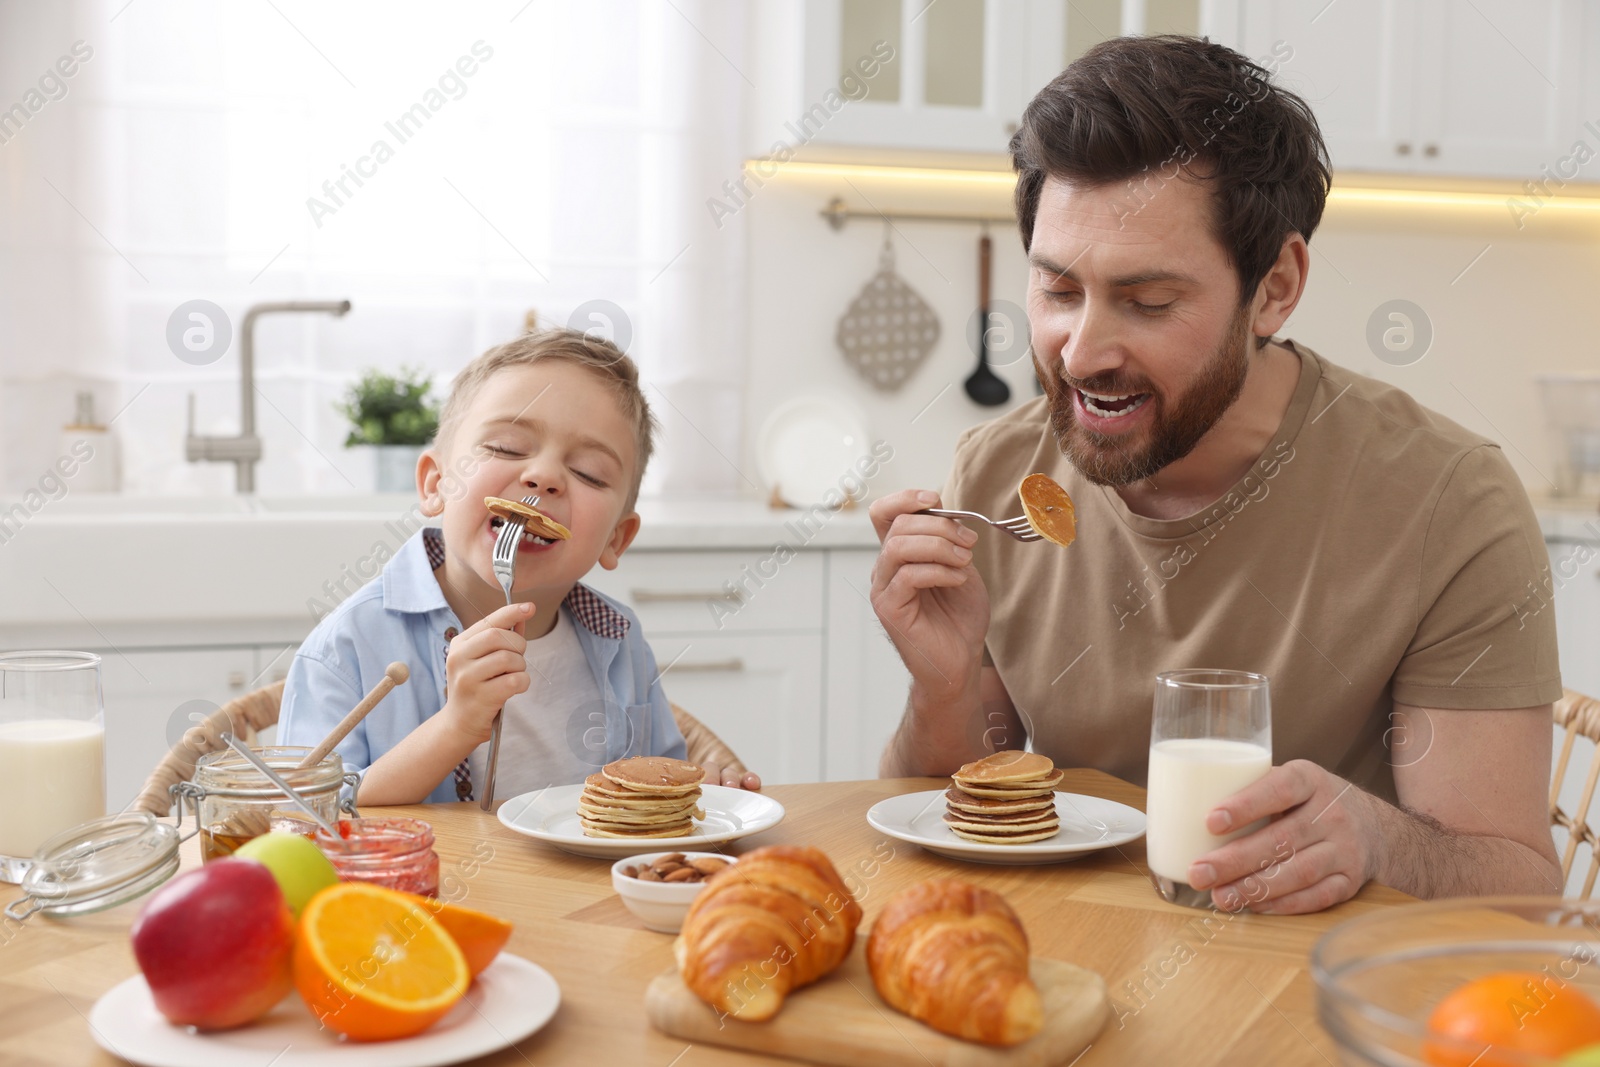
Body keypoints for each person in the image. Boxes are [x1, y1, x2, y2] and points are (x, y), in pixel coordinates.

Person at [869, 36, 1562, 913]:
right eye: (1056, 291)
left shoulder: (1448, 501)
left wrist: (1376, 838)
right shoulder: (1002, 475)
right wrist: (944, 686)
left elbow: (1522, 887)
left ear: (1275, 287)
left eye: (1149, 302)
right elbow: (954, 810)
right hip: (1068, 976)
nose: (1083, 351)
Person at [280, 328, 761, 803]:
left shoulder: (620, 639)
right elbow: (305, 811)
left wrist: (704, 791)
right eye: (506, 448)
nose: (545, 476)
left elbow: (654, 785)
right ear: (435, 484)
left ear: (616, 538)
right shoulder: (348, 645)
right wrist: (455, 727)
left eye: (588, 473)